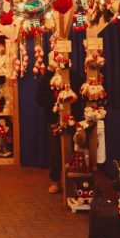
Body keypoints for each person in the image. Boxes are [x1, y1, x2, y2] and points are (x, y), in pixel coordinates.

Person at [35, 61, 83, 194]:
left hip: (73, 119)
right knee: (55, 152)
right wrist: (55, 101)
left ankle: (74, 181)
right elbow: (39, 99)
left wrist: (73, 99)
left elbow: (80, 94)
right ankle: (55, 180)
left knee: (76, 151)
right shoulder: (46, 78)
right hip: (54, 120)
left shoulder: (73, 75)